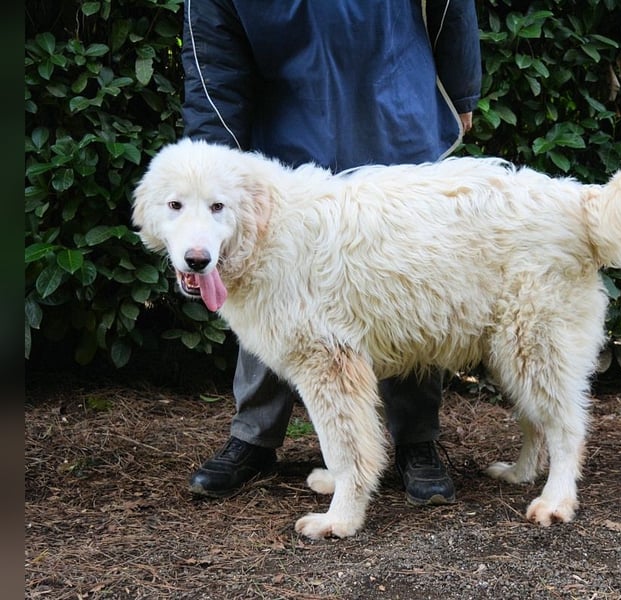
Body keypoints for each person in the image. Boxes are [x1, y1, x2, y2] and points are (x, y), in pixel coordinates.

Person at [180, 0, 482, 506]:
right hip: (286, 121)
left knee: (410, 284)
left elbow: (451, 5)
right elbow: (215, 59)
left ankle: (415, 440)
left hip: (394, 102)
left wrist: (460, 87)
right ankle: (254, 436)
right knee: (264, 286)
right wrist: (210, 162)